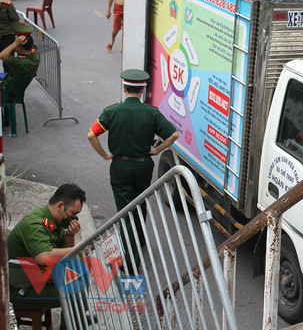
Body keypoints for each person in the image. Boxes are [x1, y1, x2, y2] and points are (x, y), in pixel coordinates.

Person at [87, 69, 178, 270]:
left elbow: (91, 135)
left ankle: (129, 262)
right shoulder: (152, 112)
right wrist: (156, 150)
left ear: (124, 87)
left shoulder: (111, 112)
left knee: (125, 212)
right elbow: (173, 135)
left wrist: (105, 155)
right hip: (143, 165)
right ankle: (140, 240)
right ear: (143, 89)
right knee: (139, 203)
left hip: (120, 166)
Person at [8, 183, 86, 330]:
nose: (74, 218)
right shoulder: (35, 224)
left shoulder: (53, 222)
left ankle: (77, 317)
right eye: (73, 213)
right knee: (75, 292)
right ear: (60, 206)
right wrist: (76, 249)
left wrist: (70, 235)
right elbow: (44, 257)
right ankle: (76, 317)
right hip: (19, 291)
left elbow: (65, 255)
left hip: (38, 280)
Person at [0, 23, 41, 101]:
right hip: (14, 90)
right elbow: (32, 44)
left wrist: (15, 43)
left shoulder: (19, 63)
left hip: (6, 93)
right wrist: (23, 31)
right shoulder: (35, 56)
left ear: (19, 47)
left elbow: (2, 55)